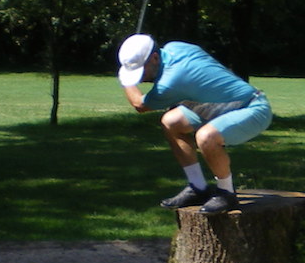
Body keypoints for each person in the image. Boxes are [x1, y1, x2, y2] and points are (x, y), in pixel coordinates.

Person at [117, 34, 273, 214]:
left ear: (154, 57)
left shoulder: (170, 82)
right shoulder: (175, 46)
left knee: (206, 137)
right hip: (218, 103)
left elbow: (139, 104)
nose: (140, 77)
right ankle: (198, 187)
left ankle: (226, 193)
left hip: (252, 107)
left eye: (141, 70)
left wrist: (124, 80)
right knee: (170, 122)